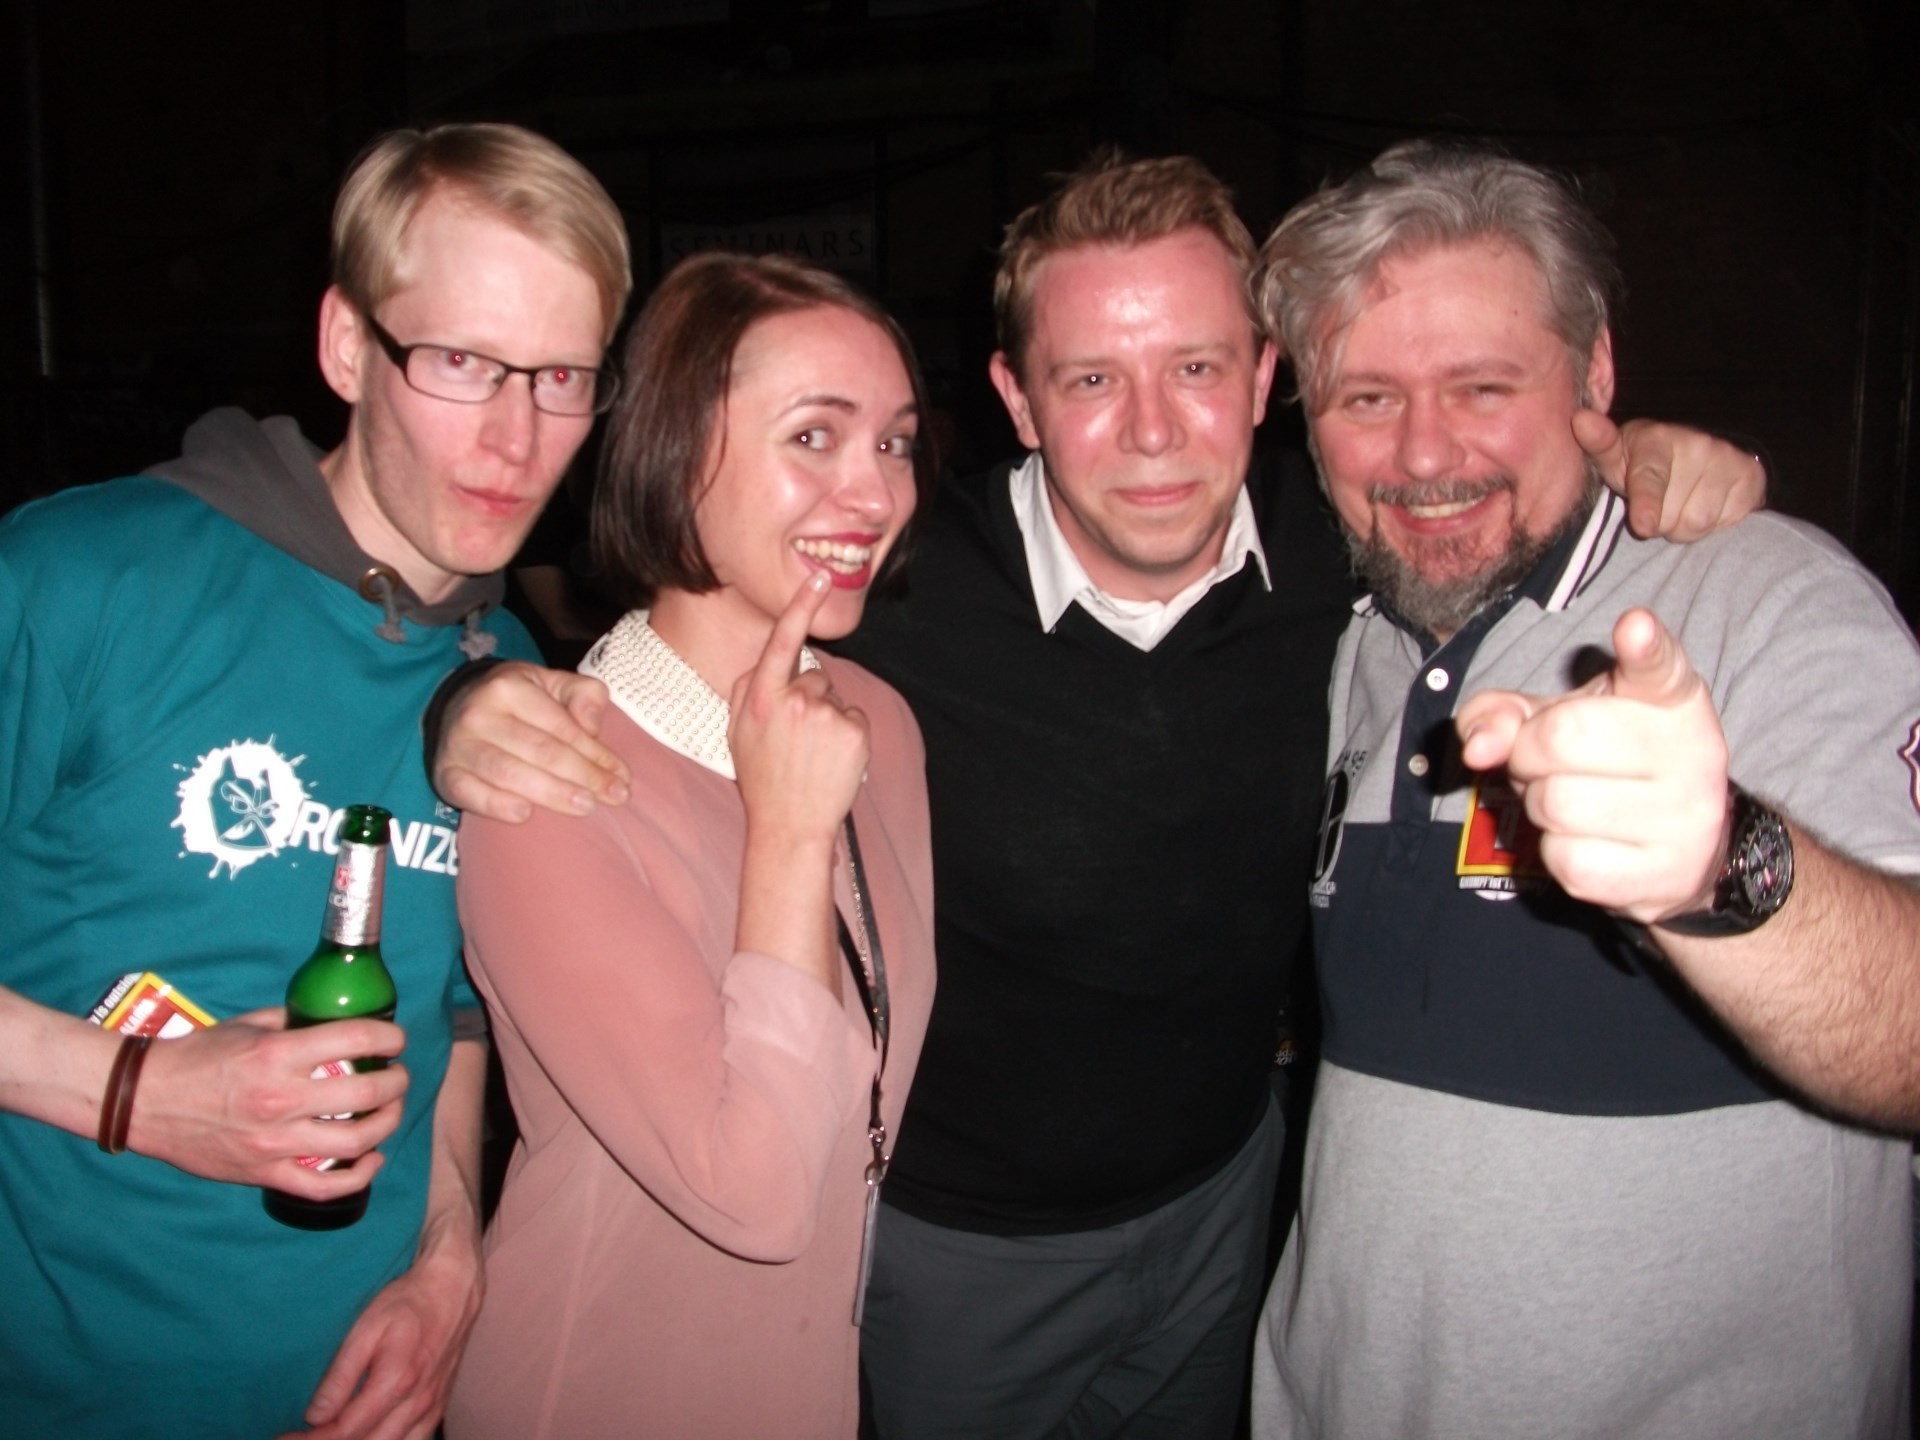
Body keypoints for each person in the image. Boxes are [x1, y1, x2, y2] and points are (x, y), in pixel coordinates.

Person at [431, 153, 1764, 1439]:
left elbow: (1489, 486)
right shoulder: (892, 592)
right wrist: (464, 698)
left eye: (1196, 367)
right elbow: (683, 624)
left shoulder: (1348, 548)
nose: (1151, 431)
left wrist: (1632, 457)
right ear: (1018, 400)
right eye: (1091, 379)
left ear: (1265, 377)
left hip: (1226, 1201)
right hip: (955, 1253)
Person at [1250, 140, 1919, 1439]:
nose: (1424, 454)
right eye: (1367, 397)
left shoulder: (1774, 601)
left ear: (1596, 373)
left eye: (1483, 387)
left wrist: (1722, 864)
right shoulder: (1358, 643)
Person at [0, 122, 629, 1439]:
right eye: (461, 362)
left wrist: (450, 1259)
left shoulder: (509, 670)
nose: (517, 439)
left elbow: (455, 1013)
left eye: (563, 378)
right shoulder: (77, 580)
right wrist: (136, 1094)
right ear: (348, 346)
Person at [442, 252, 937, 1440]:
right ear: (675, 453)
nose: (875, 492)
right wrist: (790, 830)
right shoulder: (551, 785)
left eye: (895, 442)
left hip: (806, 1383)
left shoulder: (879, 722)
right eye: (814, 437)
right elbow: (754, 1194)